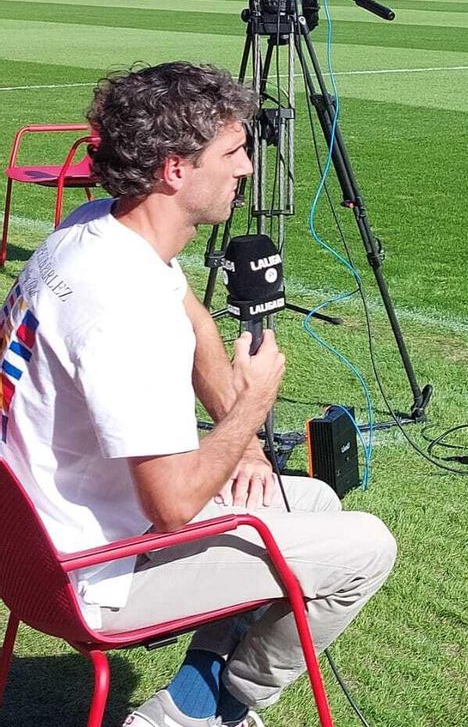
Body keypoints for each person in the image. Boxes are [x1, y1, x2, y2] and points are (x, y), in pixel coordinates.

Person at [0, 62, 396, 727]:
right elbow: (175, 504)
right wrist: (249, 409)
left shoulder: (100, 228)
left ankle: (200, 696)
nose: (246, 169)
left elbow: (197, 319)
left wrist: (241, 448)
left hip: (32, 540)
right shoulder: (122, 311)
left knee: (312, 498)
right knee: (366, 547)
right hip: (89, 573)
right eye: (233, 152)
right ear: (176, 170)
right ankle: (214, 707)